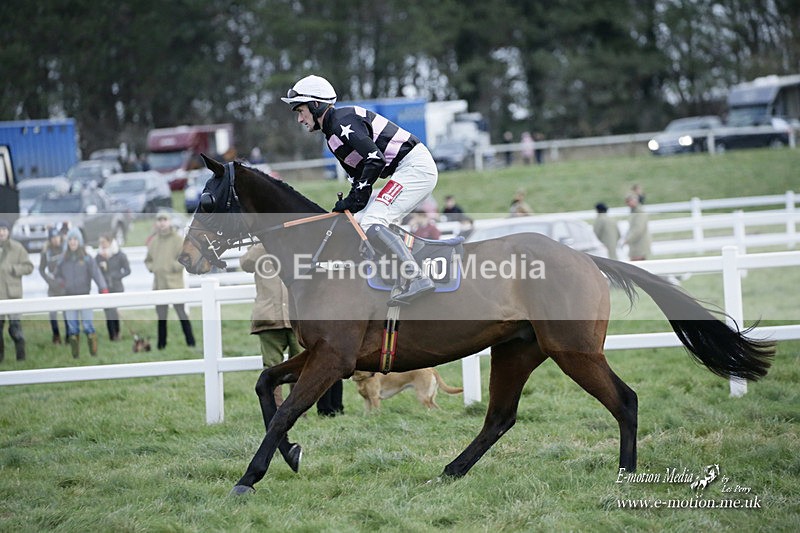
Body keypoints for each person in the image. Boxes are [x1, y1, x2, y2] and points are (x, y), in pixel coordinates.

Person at [281, 74, 438, 305]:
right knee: (363, 222)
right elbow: (359, 177)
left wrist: (356, 197)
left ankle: (417, 278)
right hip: (405, 169)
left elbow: (375, 159)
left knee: (373, 221)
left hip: (414, 167)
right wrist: (349, 204)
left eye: (301, 111)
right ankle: (402, 273)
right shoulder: (332, 137)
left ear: (315, 105)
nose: (299, 119)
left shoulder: (342, 121)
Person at [240, 243, 302, 406]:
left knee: (301, 368)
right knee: (272, 369)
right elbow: (245, 263)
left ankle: (298, 409)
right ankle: (276, 410)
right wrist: (264, 241)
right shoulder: (259, 248)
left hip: (296, 318)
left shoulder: (295, 243)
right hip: (269, 318)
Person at [145, 212, 196, 350]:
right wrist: (153, 268)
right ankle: (161, 346)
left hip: (175, 284)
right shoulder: (154, 241)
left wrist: (172, 267)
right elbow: (148, 260)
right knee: (161, 317)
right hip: (159, 285)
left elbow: (186, 258)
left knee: (182, 314)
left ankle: (191, 343)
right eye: (159, 220)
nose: (162, 223)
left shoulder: (178, 240)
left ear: (169, 222)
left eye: (165, 220)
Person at [55, 228, 108, 358]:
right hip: (69, 297)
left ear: (79, 241)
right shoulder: (63, 259)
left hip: (84, 296)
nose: (73, 242)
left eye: (75, 239)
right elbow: (57, 275)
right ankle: (75, 355)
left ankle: (93, 353)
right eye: (70, 240)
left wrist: (103, 288)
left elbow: (96, 274)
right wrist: (61, 283)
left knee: (88, 325)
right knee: (72, 328)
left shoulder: (87, 258)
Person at [0, 218, 34, 362]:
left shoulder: (17, 248)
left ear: (8, 231)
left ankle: (21, 359)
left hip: (13, 295)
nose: (1, 233)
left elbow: (29, 267)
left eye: (4, 230)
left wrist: (14, 269)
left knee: (15, 329)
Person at [95, 234, 131, 341]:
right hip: (104, 288)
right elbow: (95, 272)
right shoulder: (98, 257)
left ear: (110, 242)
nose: (102, 245)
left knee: (114, 311)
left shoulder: (119, 255)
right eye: (100, 242)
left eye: (104, 242)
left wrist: (116, 276)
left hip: (116, 287)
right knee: (108, 312)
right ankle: (112, 335)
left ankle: (117, 333)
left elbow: (127, 270)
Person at [39, 226, 68, 344]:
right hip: (52, 286)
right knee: (52, 313)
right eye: (53, 238)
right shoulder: (46, 253)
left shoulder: (65, 249)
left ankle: (68, 335)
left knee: (67, 312)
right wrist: (48, 280)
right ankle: (56, 335)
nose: (56, 240)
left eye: (57, 237)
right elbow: (41, 269)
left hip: (64, 285)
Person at [624, 194, 651, 261]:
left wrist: (628, 239)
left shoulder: (639, 212)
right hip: (636, 244)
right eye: (627, 201)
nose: (628, 203)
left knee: (637, 262)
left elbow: (638, 229)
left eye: (629, 201)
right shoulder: (634, 212)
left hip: (640, 245)